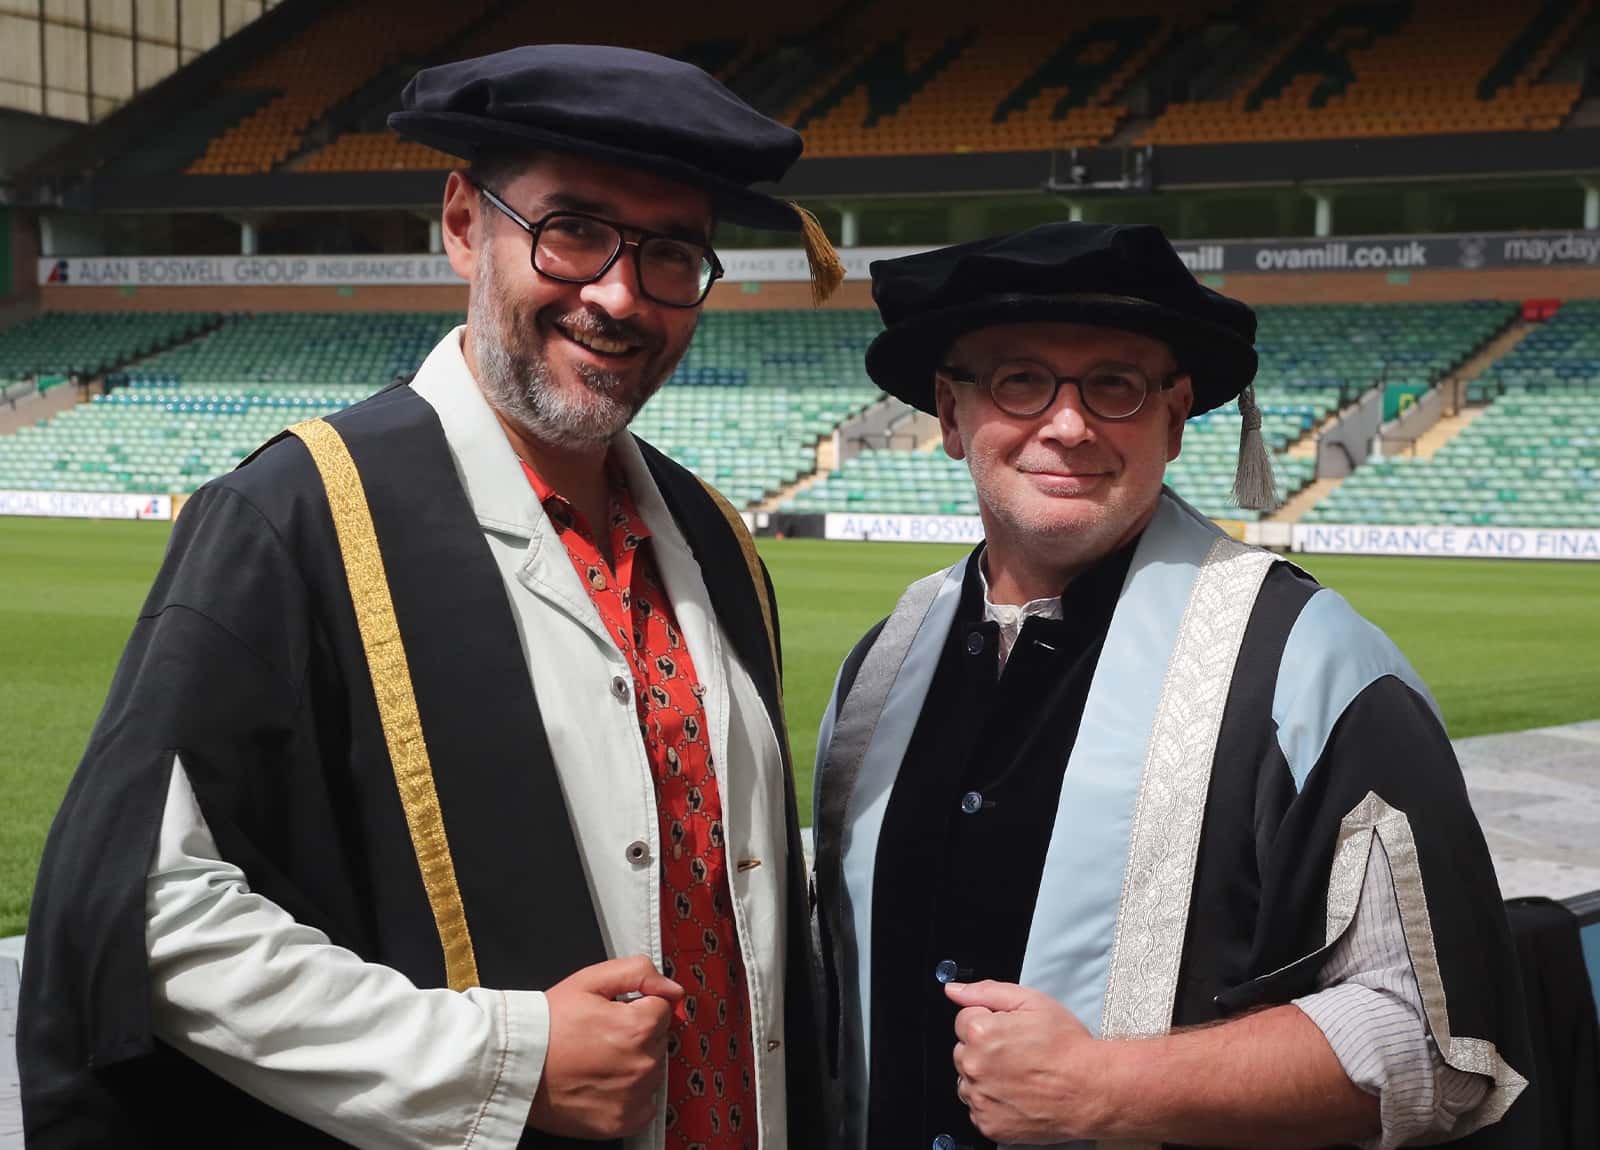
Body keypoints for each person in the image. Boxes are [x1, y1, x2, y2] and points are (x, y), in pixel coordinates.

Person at [20, 44, 839, 1150]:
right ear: (463, 221)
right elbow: (144, 906)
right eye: (575, 230)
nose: (617, 295)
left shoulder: (713, 539)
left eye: (670, 255)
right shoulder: (298, 512)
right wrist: (497, 1063)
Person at [810, 223, 1534, 1149]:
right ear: (951, 417)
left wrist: (1110, 1087)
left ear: (1176, 414)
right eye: (1018, 380)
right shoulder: (882, 666)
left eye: (1114, 384)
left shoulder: (1309, 663)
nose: (1067, 425)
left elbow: (1441, 1043)